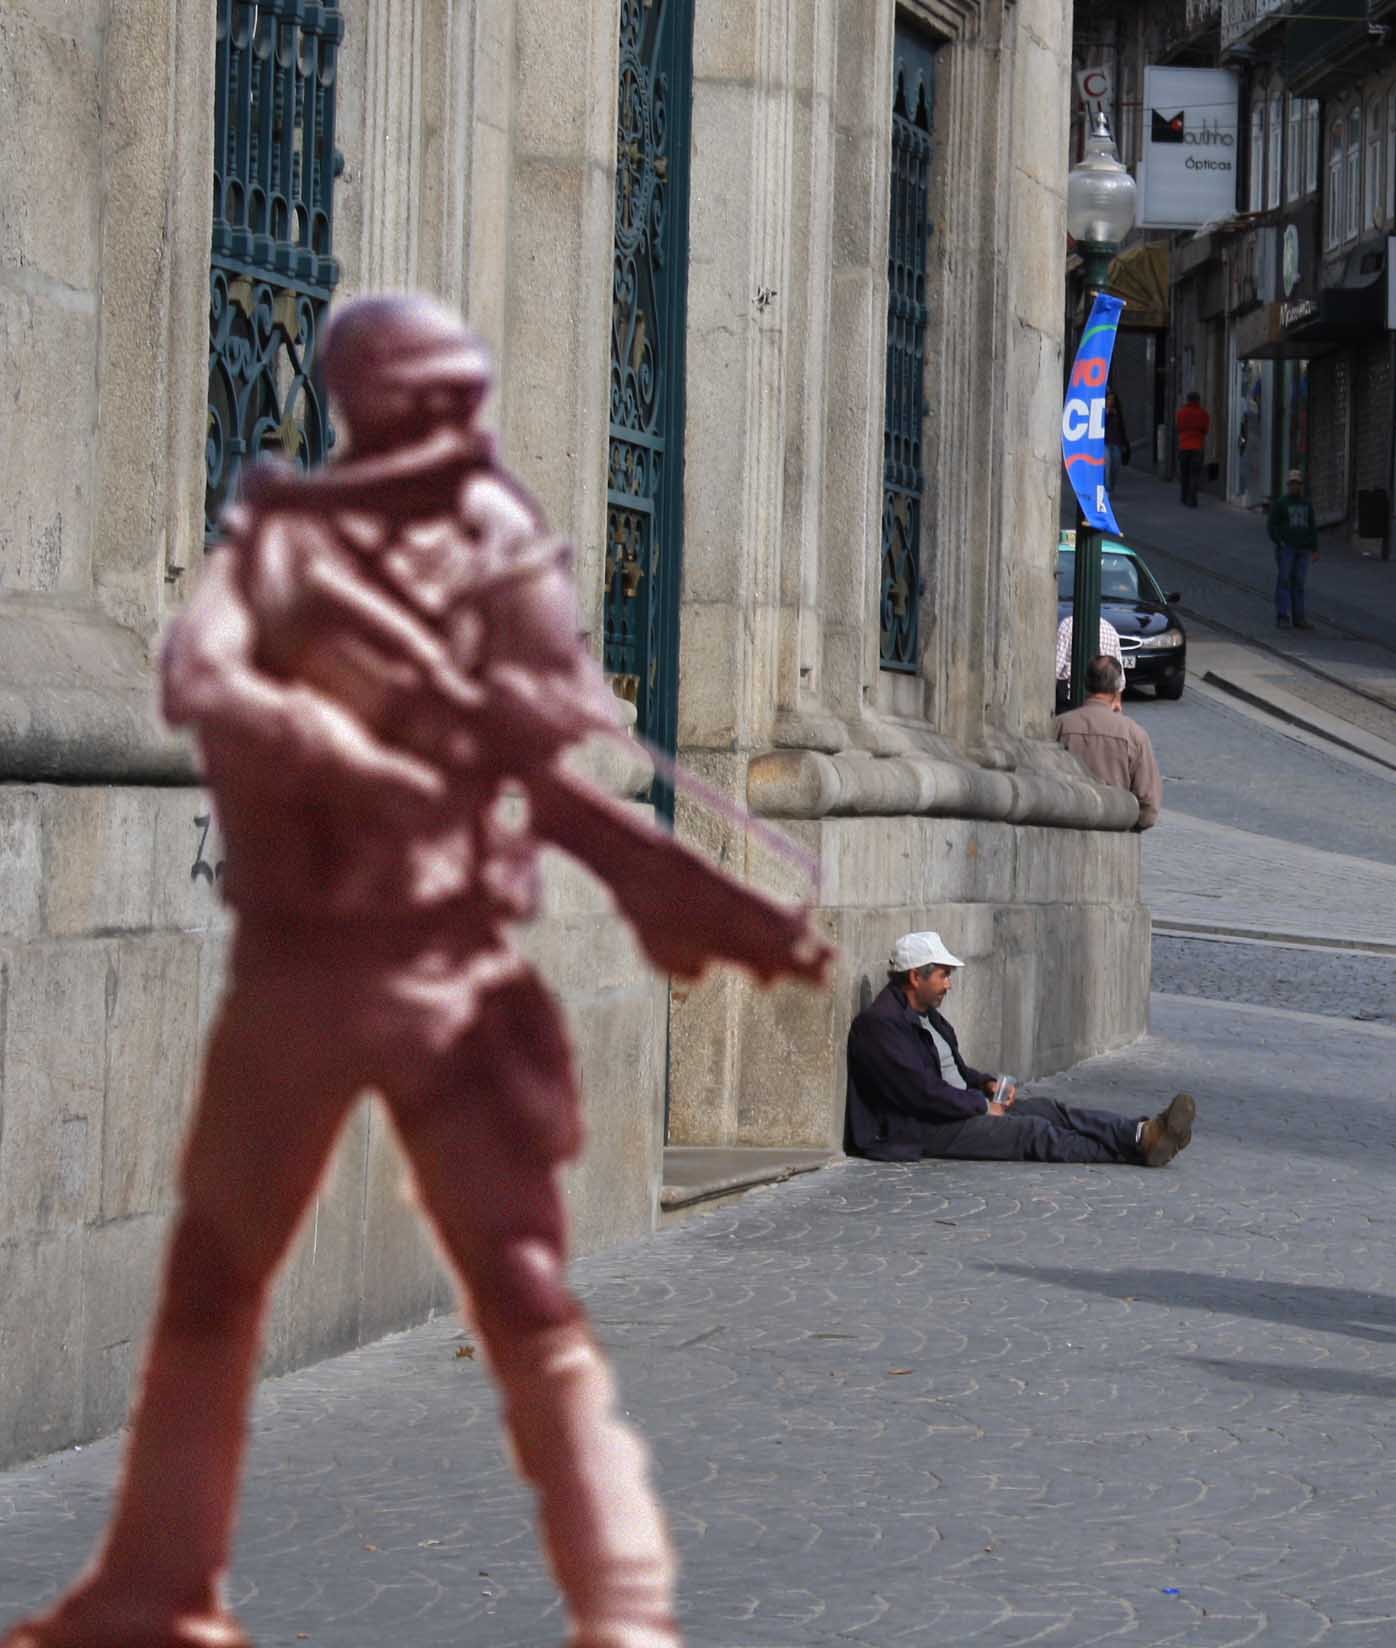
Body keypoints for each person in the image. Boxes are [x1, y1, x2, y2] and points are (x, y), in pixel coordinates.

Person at [0, 296, 832, 1648]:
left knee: (519, 1289)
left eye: (455, 399)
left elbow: (564, 779)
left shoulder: (499, 548)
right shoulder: (288, 538)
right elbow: (203, 678)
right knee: (215, 1279)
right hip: (300, 971)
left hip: (447, 974)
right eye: (417, 399)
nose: (444, 425)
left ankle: (619, 1597)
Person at [844, 932, 1196, 1167]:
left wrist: (985, 1084)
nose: (949, 985)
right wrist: (982, 1105)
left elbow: (955, 1071)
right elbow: (922, 1094)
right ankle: (1140, 1149)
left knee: (1051, 1111)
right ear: (915, 977)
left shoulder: (927, 1015)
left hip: (960, 1106)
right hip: (925, 1127)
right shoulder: (881, 1026)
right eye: (943, 975)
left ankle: (1141, 1132)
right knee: (1032, 1132)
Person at [1054, 654, 1162, 831]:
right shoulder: (1134, 734)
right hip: (1116, 829)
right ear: (1117, 687)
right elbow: (1149, 806)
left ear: (1086, 683)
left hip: (1067, 828)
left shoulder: (1060, 725)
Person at [1267, 467, 1318, 630]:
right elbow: (1272, 525)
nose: (1295, 486)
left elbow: (1312, 527)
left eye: (1297, 483)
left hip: (1303, 549)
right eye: (1292, 483)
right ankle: (1282, 616)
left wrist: (1314, 548)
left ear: (1301, 485)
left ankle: (1299, 618)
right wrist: (1279, 541)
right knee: (1284, 581)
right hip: (1286, 548)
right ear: (1288, 485)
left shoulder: (1307, 504)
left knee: (1299, 583)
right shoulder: (1281, 503)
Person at [1055, 612, 1124, 710]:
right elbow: (1119, 673)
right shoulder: (1110, 629)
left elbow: (1056, 666)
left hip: (1070, 695)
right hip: (1104, 699)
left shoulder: (1068, 625)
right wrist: (1117, 701)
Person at [1175, 390, 1210, 507]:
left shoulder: (1181, 413)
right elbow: (1205, 430)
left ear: (1188, 400)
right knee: (1194, 474)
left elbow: (1178, 428)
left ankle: (1183, 497)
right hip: (1197, 447)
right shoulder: (1203, 414)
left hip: (1184, 446)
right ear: (1198, 401)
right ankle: (1192, 499)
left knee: (1184, 473)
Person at [1104, 390, 1130, 493]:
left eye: (1112, 400)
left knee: (1115, 466)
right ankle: (1106, 489)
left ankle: (1111, 486)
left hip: (1116, 443)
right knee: (1107, 464)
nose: (1110, 402)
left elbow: (1121, 428)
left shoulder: (1117, 413)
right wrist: (1106, 412)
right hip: (1104, 443)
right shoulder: (1102, 412)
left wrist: (1124, 443)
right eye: (1108, 399)